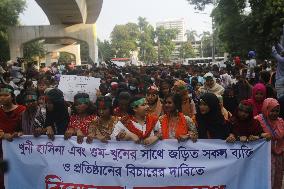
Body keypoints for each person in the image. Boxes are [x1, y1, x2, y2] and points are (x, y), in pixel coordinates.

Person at [0, 85, 26, 189]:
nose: (2, 98)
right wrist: (3, 134)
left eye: (6, 95)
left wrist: (20, 133)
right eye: (0, 95)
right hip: (2, 150)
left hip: (18, 149)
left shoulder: (22, 110)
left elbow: (27, 127)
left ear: (12, 97)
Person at [255, 98, 284, 189]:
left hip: (278, 155)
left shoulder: (280, 121)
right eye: (272, 111)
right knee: (266, 178)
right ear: (266, 109)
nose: (275, 113)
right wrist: (261, 135)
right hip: (264, 157)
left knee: (277, 178)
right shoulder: (258, 120)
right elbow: (252, 134)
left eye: (277, 111)